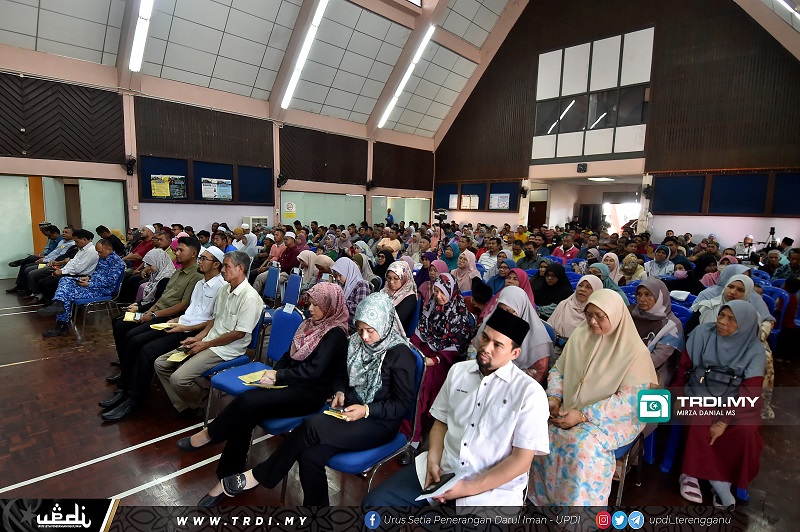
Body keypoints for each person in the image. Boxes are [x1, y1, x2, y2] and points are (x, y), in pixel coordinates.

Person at [203, 293, 415, 506]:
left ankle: (259, 475)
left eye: (370, 330)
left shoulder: (400, 355)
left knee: (312, 425)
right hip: (351, 412)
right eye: (360, 330)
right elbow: (342, 374)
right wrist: (340, 391)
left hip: (379, 422)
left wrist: (366, 410)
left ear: (384, 324)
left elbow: (403, 405)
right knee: (310, 456)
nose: (365, 337)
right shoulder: (356, 343)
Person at [365, 307, 549, 506]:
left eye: (497, 345)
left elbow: (521, 461)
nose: (486, 348)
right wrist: (433, 461)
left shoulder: (529, 393)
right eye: (484, 338)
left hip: (491, 491)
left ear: (514, 353)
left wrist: (465, 489)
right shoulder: (459, 371)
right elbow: (441, 423)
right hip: (442, 469)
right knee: (373, 504)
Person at [187, 283, 350, 507]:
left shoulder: (335, 334)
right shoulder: (309, 324)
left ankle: (211, 434)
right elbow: (288, 355)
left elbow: (313, 372)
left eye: (316, 305)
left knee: (248, 401)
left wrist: (279, 376)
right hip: (291, 382)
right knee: (246, 413)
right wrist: (275, 372)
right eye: (310, 303)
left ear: (330, 306)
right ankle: (229, 475)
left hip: (309, 393)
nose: (310, 309)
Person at [531, 289, 658, 506]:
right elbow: (559, 371)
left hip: (613, 418)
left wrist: (583, 415)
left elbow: (629, 401)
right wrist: (554, 398)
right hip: (570, 407)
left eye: (600, 316)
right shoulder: (581, 335)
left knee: (581, 447)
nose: (592, 321)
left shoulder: (635, 352)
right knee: (540, 432)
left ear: (615, 316)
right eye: (589, 315)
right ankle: (544, 500)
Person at [98, 246, 226, 420]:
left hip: (192, 331)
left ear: (216, 264)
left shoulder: (221, 287)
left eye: (204, 259)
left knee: (147, 350)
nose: (200, 261)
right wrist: (175, 320)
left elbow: (212, 321)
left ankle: (134, 399)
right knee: (135, 340)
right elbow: (190, 312)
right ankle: (125, 389)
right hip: (180, 324)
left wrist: (183, 326)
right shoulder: (200, 284)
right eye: (200, 258)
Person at [673, 300, 765, 509]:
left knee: (746, 430)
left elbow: (751, 390)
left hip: (736, 401)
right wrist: (678, 395)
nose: (722, 322)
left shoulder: (755, 349)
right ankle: (692, 474)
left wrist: (724, 421)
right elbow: (683, 368)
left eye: (732, 319)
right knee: (699, 414)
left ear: (745, 325)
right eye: (721, 315)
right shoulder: (702, 333)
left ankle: (723, 477)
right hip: (701, 391)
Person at [153, 251, 263, 416]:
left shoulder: (249, 297)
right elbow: (214, 320)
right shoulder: (224, 289)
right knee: (161, 363)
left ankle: (200, 400)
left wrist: (205, 344)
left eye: (226, 266)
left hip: (226, 348)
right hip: (210, 340)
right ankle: (190, 404)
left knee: (178, 379)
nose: (222, 270)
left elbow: (238, 334)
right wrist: (197, 338)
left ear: (240, 268)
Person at [406, 273, 473, 444]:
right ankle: (401, 426)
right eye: (436, 291)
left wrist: (434, 360)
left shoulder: (459, 316)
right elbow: (420, 332)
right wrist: (412, 348)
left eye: (443, 292)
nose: (438, 296)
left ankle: (415, 433)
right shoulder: (432, 306)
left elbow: (455, 349)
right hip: (425, 351)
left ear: (451, 292)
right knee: (402, 370)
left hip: (444, 360)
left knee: (423, 381)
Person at [38, 239, 126, 337]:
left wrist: (89, 284)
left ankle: (61, 324)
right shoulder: (103, 258)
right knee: (65, 279)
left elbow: (109, 282)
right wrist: (89, 278)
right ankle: (59, 304)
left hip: (102, 291)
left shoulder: (117, 263)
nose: (98, 254)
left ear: (109, 249)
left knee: (67, 294)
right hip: (93, 285)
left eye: (100, 252)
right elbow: (97, 275)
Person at [477, 286, 552, 384]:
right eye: (500, 310)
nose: (504, 316)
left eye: (509, 311)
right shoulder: (491, 325)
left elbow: (534, 377)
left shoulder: (539, 344)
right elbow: (475, 350)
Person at [629, 278, 685, 388]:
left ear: (660, 297)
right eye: (639, 294)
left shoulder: (672, 325)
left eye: (648, 295)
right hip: (623, 362)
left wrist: (625, 367)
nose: (642, 299)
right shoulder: (630, 312)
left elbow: (655, 360)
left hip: (654, 370)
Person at [547, 274, 603, 341]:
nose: (582, 289)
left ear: (596, 292)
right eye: (580, 285)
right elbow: (549, 331)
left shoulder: (599, 314)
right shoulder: (564, 305)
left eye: (588, 287)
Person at [331, 257, 372, 334]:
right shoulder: (342, 285)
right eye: (336, 276)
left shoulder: (361, 285)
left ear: (347, 272)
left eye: (340, 275)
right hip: (340, 321)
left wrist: (342, 301)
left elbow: (359, 309)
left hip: (352, 326)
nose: (338, 279)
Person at [381, 260, 419, 330]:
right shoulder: (386, 289)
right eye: (389, 278)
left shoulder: (410, 297)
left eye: (396, 278)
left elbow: (397, 321)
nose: (391, 282)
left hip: (393, 330)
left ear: (404, 278)